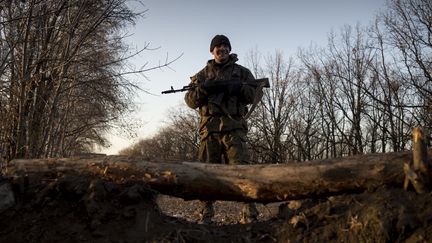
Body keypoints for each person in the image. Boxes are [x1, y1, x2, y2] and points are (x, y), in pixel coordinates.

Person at [184, 34, 259, 224]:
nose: (222, 49)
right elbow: (190, 101)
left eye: (225, 46)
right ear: (212, 50)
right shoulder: (201, 75)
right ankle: (206, 213)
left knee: (241, 172)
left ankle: (249, 214)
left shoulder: (242, 73)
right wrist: (203, 89)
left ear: (229, 50)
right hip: (209, 131)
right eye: (218, 47)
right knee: (207, 174)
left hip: (234, 129)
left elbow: (254, 94)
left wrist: (239, 89)